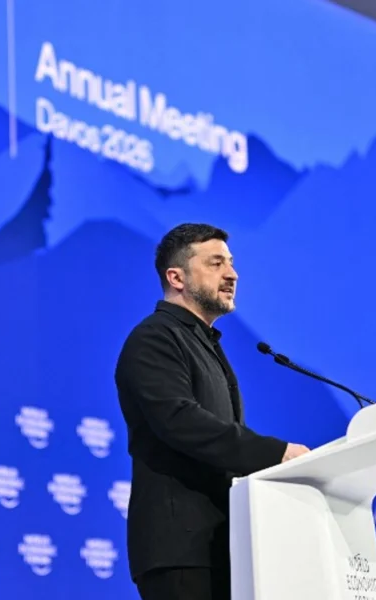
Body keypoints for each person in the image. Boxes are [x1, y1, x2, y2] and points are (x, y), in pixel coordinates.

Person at [114, 223, 311, 600]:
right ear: (176, 278)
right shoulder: (155, 338)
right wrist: (276, 453)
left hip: (224, 543)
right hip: (182, 549)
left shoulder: (202, 342)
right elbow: (180, 421)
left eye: (231, 263)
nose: (232, 274)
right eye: (216, 263)